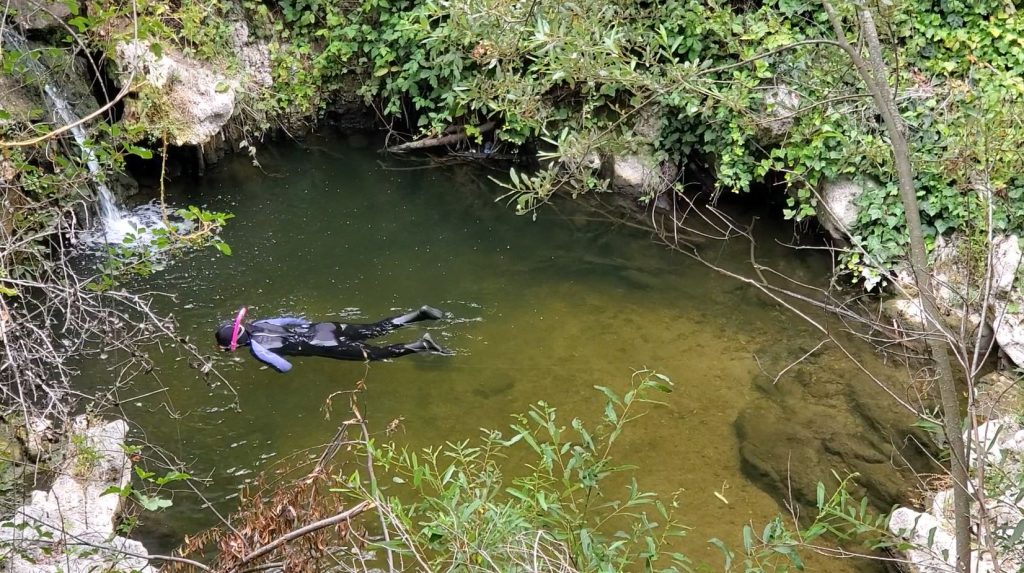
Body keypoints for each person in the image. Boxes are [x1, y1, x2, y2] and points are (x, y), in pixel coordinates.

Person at [214, 305, 450, 372]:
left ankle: (422, 345)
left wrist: (272, 363)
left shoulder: (257, 350)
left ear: (234, 345)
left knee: (376, 354)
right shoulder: (260, 324)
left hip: (325, 345)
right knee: (375, 329)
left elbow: (285, 367)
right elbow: (289, 319)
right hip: (325, 328)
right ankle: (417, 315)